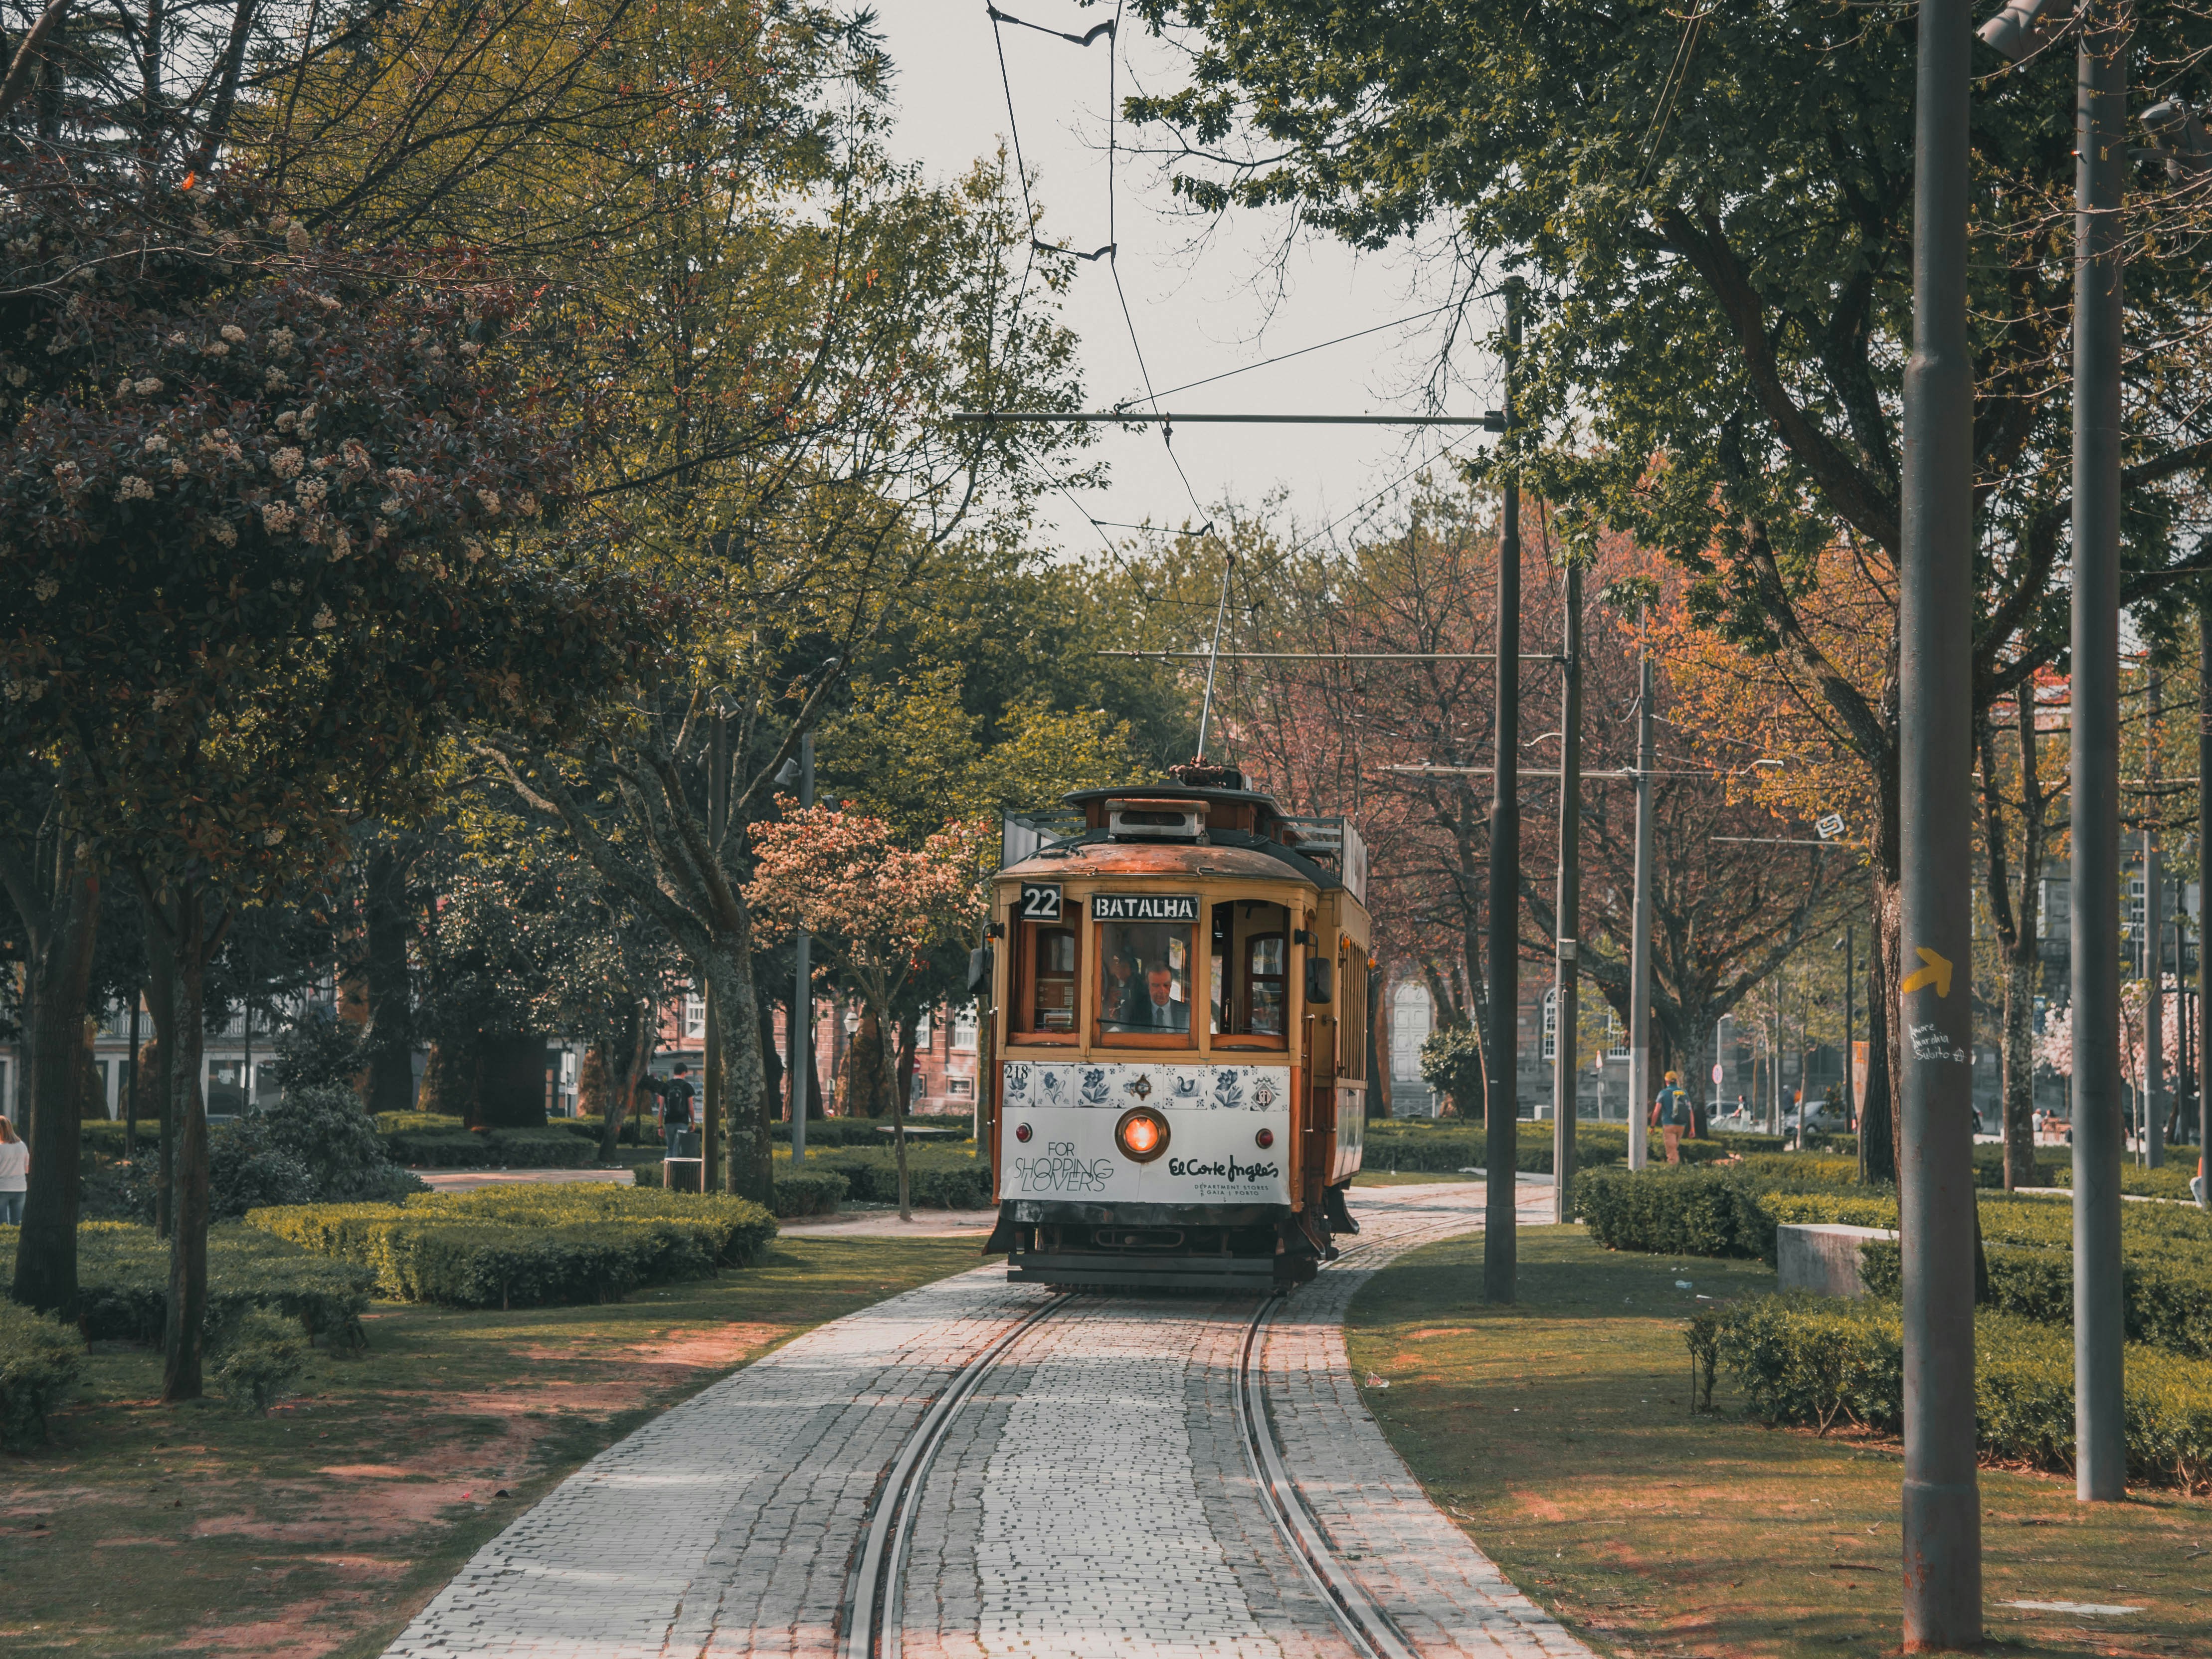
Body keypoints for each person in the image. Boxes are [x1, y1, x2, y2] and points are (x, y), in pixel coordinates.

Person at [1650, 1071, 1695, 1164]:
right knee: (1674, 1149)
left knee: (1671, 1152)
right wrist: (1692, 1128)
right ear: (1676, 1081)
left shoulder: (1663, 1093)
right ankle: (1677, 1167)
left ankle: (1674, 1172)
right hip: (1681, 1125)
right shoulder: (1684, 1093)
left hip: (1669, 1125)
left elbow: (1656, 1111)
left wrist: (1652, 1126)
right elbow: (1690, 1111)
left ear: (1667, 1081)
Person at [656, 1064, 697, 1158]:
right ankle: (678, 1172)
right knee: (679, 1149)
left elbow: (661, 1108)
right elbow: (691, 1108)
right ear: (684, 1073)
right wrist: (693, 1123)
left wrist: (660, 1126)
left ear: (674, 1072)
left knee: (670, 1148)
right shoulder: (687, 1087)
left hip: (669, 1122)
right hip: (683, 1122)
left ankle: (668, 1171)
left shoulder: (666, 1086)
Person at [1135, 966, 1189, 1033]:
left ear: (1171, 985)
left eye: (1166, 985)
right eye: (1156, 986)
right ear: (1148, 985)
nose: (1162, 991)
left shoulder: (1186, 1011)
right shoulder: (1135, 1011)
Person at [0, 1115, 26, 1226]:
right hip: (20, 1188)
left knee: (2, 1224)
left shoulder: (1, 1147)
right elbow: (27, 1168)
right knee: (17, 1223)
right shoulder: (22, 1146)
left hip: (3, 1188)